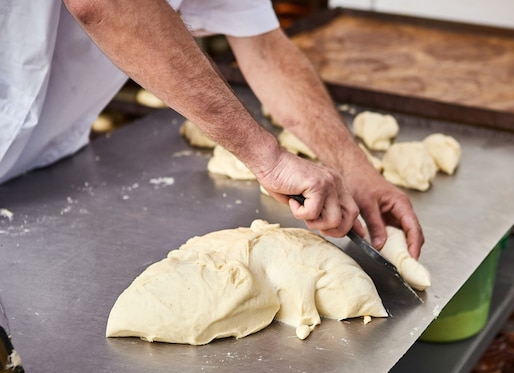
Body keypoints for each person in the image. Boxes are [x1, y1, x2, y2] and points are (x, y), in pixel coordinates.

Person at [0, 0, 424, 259]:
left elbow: (263, 47)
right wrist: (269, 158)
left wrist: (355, 168)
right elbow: (105, 4)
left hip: (41, 164)